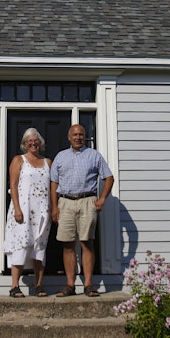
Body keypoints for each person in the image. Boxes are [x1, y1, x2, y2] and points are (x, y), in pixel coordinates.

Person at [49, 124, 114, 298]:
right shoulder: (61, 157)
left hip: (87, 201)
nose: (78, 137)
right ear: (69, 137)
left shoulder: (94, 155)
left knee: (87, 243)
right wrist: (54, 207)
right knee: (67, 244)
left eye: (81, 135)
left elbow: (109, 177)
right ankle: (70, 285)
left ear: (85, 137)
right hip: (66, 202)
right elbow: (53, 183)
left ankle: (88, 285)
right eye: (75, 135)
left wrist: (101, 199)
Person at [5, 128, 52, 298]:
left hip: (42, 211)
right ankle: (14, 286)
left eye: (35, 140)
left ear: (40, 142)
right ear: (24, 144)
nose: (33, 143)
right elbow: (13, 185)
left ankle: (38, 285)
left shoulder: (48, 162)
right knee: (21, 244)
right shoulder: (19, 160)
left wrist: (54, 209)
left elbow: (53, 188)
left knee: (40, 246)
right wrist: (17, 208)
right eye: (29, 141)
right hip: (23, 210)